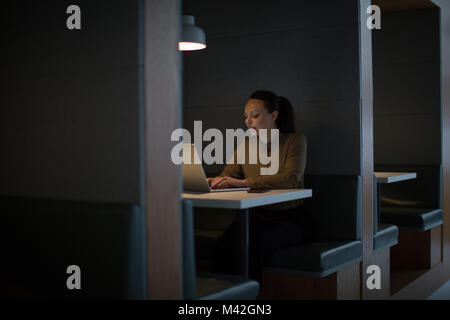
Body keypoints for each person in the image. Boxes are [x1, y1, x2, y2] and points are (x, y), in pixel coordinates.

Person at [207, 90, 309, 282]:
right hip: (253, 217)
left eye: (255, 115)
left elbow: (291, 178)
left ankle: (251, 299)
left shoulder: (295, 140)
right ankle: (222, 296)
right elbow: (228, 175)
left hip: (286, 219)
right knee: (223, 247)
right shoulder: (246, 144)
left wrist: (245, 182)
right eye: (246, 116)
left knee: (251, 247)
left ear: (274, 115)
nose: (248, 121)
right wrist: (214, 181)